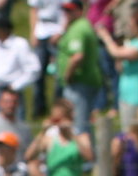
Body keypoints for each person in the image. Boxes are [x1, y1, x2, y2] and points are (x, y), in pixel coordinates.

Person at [26, 98, 93, 176]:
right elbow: (29, 156)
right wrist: (42, 132)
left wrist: (71, 134)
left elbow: (89, 157)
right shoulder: (50, 139)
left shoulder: (81, 137)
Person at [96, 10, 138, 128]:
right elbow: (120, 66)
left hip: (137, 92)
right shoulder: (133, 42)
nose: (129, 27)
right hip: (125, 90)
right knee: (126, 129)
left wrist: (106, 37)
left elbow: (116, 53)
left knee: (136, 129)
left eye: (132, 24)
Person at [57, 0, 102, 136]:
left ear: (80, 11)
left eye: (70, 10)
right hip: (82, 82)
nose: (67, 13)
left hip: (79, 83)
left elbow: (77, 56)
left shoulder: (79, 28)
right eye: (65, 10)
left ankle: (84, 150)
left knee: (79, 125)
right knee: (82, 123)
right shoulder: (79, 26)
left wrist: (67, 75)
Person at [0, 17, 38, 114]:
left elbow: (33, 68)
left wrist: (16, 85)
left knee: (16, 119)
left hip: (14, 90)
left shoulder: (20, 44)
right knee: (0, 120)